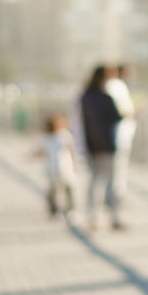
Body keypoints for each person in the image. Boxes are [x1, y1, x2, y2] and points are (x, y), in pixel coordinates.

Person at [79, 65, 125, 231]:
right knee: (110, 183)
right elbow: (116, 116)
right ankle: (113, 217)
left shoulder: (85, 97)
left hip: (91, 145)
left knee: (93, 182)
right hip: (107, 145)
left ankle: (93, 217)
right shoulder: (106, 98)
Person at [104, 63, 137, 218]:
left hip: (121, 131)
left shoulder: (115, 86)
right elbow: (118, 109)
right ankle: (114, 195)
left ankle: (116, 194)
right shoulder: (115, 86)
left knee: (118, 166)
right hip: (118, 132)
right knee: (117, 166)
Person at [34, 113, 77, 219]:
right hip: (54, 167)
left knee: (66, 188)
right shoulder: (47, 137)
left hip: (63, 166)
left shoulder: (63, 135)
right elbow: (41, 151)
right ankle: (56, 210)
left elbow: (72, 149)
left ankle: (69, 209)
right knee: (55, 190)